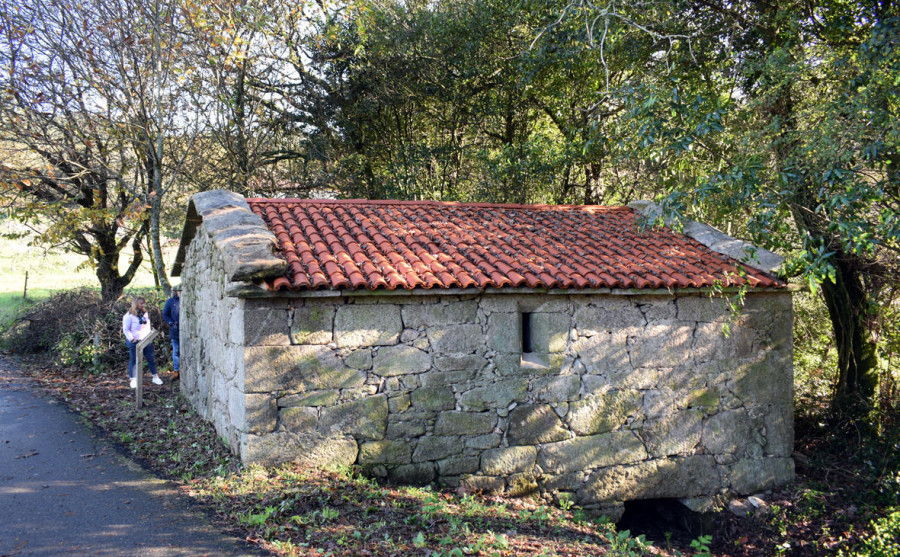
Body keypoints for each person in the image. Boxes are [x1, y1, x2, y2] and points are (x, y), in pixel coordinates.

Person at [122, 296, 163, 389]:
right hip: (134, 341)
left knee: (151, 358)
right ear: (136, 304)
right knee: (134, 359)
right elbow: (126, 329)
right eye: (141, 303)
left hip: (146, 340)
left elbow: (147, 326)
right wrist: (132, 339)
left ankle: (155, 376)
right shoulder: (128, 316)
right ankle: (133, 379)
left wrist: (149, 337)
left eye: (143, 303)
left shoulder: (145, 314)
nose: (143, 305)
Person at [162, 285, 180, 379]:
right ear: (177, 292)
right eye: (179, 291)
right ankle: (176, 371)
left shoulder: (186, 301)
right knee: (176, 351)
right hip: (175, 330)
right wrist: (171, 322)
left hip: (186, 331)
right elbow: (165, 314)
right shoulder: (171, 302)